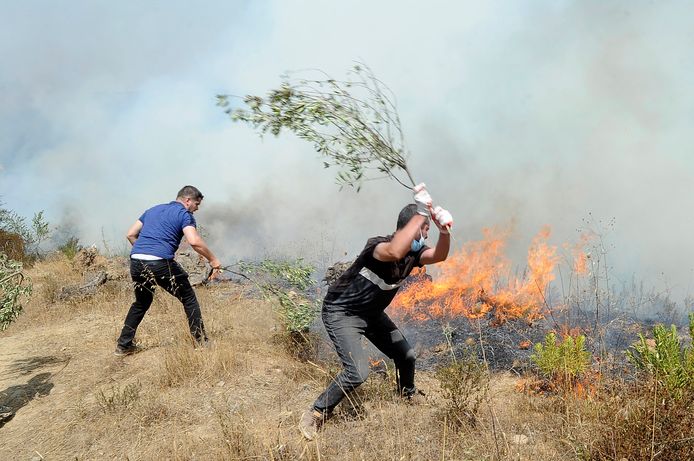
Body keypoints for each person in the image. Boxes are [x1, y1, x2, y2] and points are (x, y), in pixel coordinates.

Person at [299, 183, 453, 440]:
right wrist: (421, 213)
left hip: (370, 315)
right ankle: (316, 413)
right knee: (358, 372)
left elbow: (439, 256)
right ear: (409, 227)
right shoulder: (378, 246)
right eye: (423, 231)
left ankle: (407, 394)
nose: (425, 237)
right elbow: (394, 250)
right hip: (342, 312)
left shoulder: (413, 256)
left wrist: (444, 231)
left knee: (407, 355)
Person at [114, 185, 222, 356]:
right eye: (196, 204)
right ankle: (201, 342)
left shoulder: (152, 210)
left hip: (136, 261)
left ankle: (123, 345)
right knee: (188, 298)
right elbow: (194, 241)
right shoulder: (184, 215)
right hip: (159, 262)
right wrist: (214, 260)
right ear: (187, 201)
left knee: (141, 303)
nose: (197, 209)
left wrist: (145, 252)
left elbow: (130, 234)